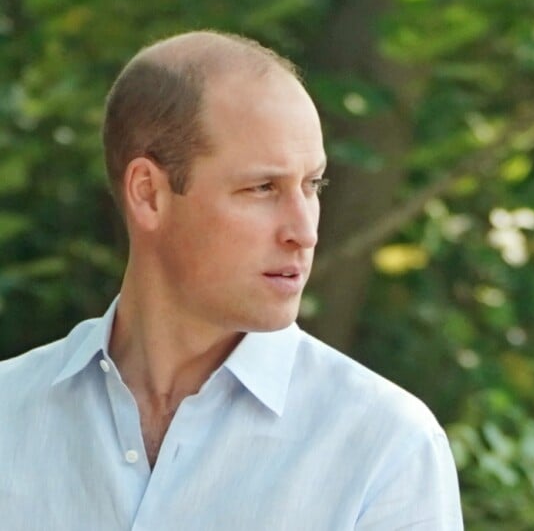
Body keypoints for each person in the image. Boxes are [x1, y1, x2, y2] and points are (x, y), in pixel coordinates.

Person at [0, 31, 463, 530]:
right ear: (149, 194)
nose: (304, 231)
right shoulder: (10, 418)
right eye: (262, 188)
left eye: (313, 185)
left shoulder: (386, 448)